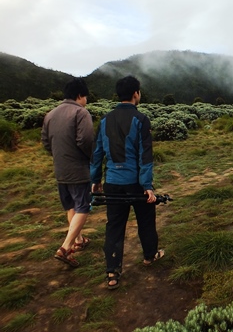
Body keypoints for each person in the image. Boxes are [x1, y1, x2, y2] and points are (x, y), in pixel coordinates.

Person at [90, 76, 164, 290]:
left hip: (112, 182)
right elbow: (145, 156)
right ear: (135, 94)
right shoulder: (141, 120)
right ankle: (150, 256)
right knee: (146, 219)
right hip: (135, 184)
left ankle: (112, 272)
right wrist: (147, 185)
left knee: (114, 226)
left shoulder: (104, 120)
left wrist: (95, 180)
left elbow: (97, 154)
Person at [41, 78, 94, 267]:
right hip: (77, 168)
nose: (86, 100)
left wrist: (59, 156)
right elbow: (86, 140)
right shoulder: (81, 112)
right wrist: (91, 158)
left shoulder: (50, 115)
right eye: (85, 96)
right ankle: (65, 247)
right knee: (83, 206)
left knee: (70, 205)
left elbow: (46, 143)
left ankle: (78, 240)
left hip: (60, 169)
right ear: (80, 95)